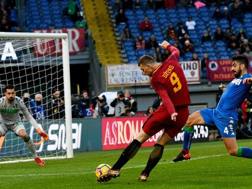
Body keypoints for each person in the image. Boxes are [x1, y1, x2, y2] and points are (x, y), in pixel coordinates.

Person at [98, 40, 190, 182]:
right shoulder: (172, 61)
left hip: (167, 111)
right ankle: (145, 173)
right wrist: (167, 46)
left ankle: (115, 169)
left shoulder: (156, 79)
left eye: (143, 69)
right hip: (183, 114)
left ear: (148, 65)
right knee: (161, 143)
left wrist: (171, 111)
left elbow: (165, 98)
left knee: (140, 138)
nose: (143, 72)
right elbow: (176, 51)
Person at [173, 55, 252, 163]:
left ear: (242, 66)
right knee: (189, 121)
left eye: (234, 66)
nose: (232, 69)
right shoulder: (236, 80)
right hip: (215, 112)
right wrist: (225, 89)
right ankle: (185, 152)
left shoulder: (246, 79)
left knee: (233, 151)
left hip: (226, 118)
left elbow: (248, 82)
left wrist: (250, 79)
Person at [0, 85, 48, 166]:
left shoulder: (19, 101)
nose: (11, 95)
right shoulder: (1, 102)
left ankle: (36, 157)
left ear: (15, 93)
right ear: (5, 94)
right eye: (9, 93)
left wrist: (39, 130)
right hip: (3, 123)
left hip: (16, 123)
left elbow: (28, 116)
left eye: (12, 93)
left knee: (24, 135)